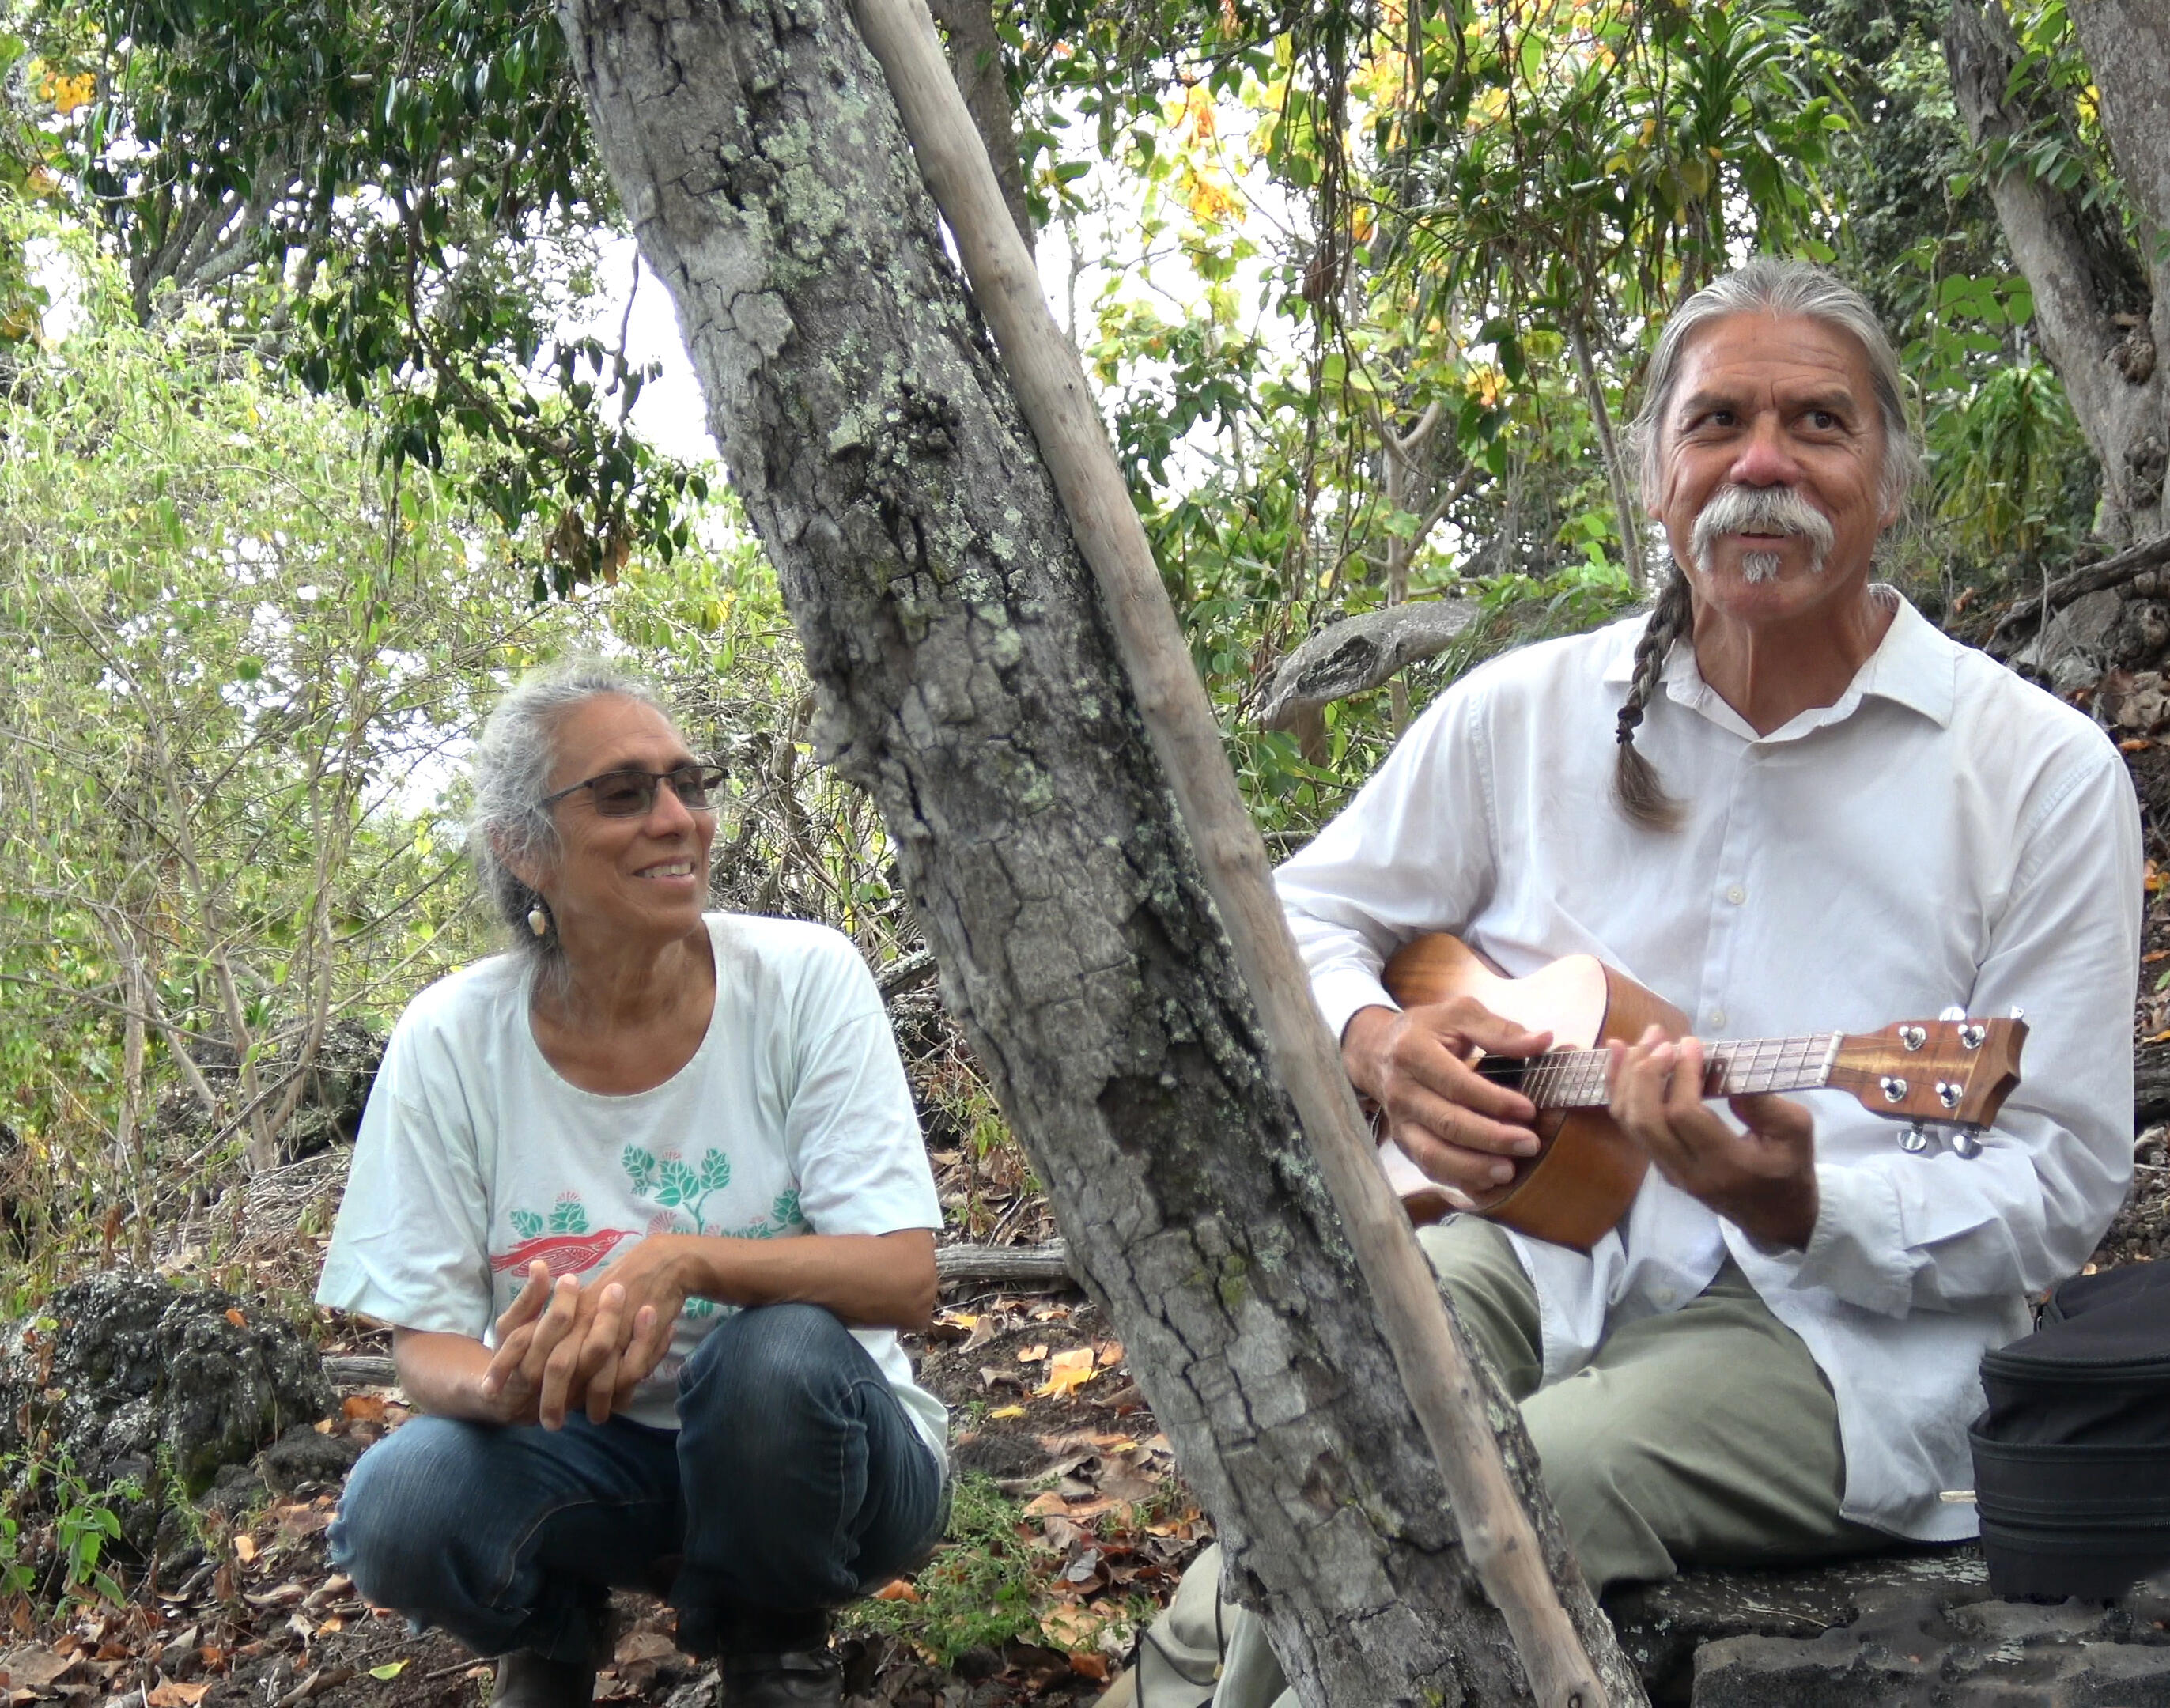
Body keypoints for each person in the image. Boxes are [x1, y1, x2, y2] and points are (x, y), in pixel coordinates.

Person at [1115, 258, 2142, 1707]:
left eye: (1819, 423)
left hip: (1840, 1335)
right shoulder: (1521, 714)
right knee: (1333, 1435)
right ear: (1658, 475)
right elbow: (1299, 915)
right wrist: (1380, 1042)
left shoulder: (2039, 774)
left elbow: (2063, 1173)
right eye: (1718, 421)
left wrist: (1804, 1206)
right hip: (1528, 1241)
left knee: (1539, 1481)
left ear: (1890, 480)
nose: (1763, 462)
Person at [317, 662, 948, 1708]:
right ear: (524, 848)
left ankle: (775, 1650)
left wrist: (686, 1260)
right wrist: (500, 1386)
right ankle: (549, 1638)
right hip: (590, 1468)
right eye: (622, 795)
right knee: (400, 1501)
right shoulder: (450, 1039)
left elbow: (904, 1277)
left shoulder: (803, 979)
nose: (676, 819)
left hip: (826, 1464)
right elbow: (424, 1344)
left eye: (688, 785)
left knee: (773, 1359)